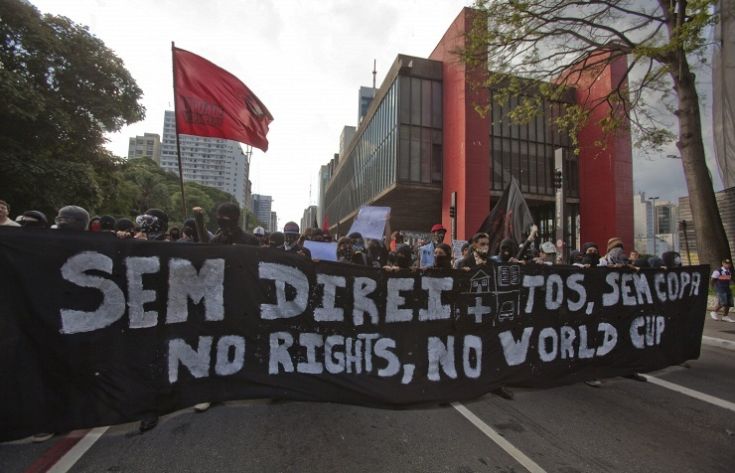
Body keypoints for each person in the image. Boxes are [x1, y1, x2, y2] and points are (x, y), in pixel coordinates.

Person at [710, 258, 735, 322]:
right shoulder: (718, 271)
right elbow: (712, 280)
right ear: (723, 263)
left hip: (727, 288)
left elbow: (729, 280)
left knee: (729, 303)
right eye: (726, 264)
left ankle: (725, 316)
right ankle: (714, 312)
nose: (728, 265)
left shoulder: (729, 271)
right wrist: (712, 287)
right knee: (722, 302)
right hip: (720, 289)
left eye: (729, 264)